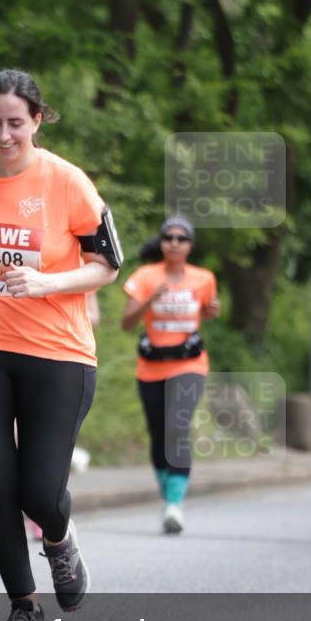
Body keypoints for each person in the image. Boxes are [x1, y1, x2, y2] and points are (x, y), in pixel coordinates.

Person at [0, 69, 121, 621]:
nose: (4, 134)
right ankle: (23, 607)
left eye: (16, 122)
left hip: (57, 352)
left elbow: (107, 267)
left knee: (38, 490)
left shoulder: (67, 182)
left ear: (37, 119)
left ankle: (60, 543)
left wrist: (47, 282)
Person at [121, 216, 219, 534]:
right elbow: (126, 323)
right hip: (151, 366)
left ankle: (175, 504)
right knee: (158, 433)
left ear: (190, 245)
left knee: (177, 426)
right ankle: (168, 494)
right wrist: (149, 300)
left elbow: (204, 310)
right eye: (169, 237)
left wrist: (209, 312)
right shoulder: (145, 276)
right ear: (162, 243)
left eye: (182, 238)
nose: (174, 243)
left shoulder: (204, 278)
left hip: (190, 364)